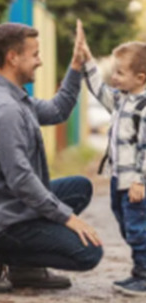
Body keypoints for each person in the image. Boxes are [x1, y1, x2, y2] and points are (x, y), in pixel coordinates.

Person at [0, 20, 103, 293]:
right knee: (89, 253)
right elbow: (20, 179)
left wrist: (76, 66)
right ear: (12, 57)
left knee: (79, 188)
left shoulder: (14, 97)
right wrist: (67, 218)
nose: (40, 61)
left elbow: (57, 111)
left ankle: (24, 270)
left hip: (13, 205)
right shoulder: (4, 109)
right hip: (1, 219)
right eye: (35, 54)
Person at [79, 21, 146, 296]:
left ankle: (143, 276)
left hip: (137, 183)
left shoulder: (142, 107)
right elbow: (98, 89)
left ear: (141, 77)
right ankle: (139, 271)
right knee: (127, 226)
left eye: (120, 73)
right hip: (120, 179)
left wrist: (141, 182)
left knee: (138, 229)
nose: (114, 78)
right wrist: (87, 59)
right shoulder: (122, 99)